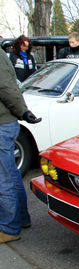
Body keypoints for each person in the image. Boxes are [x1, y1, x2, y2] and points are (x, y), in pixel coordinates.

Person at [0, 48, 41, 243]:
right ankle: (20, 219)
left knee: (4, 177)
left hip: (2, 124)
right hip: (5, 122)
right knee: (10, 173)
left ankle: (9, 227)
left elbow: (6, 88)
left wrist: (22, 111)